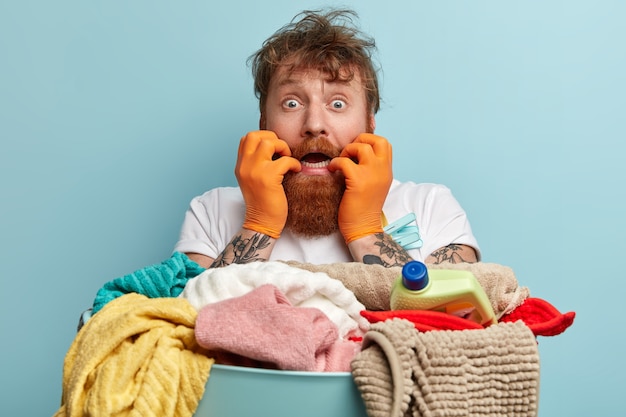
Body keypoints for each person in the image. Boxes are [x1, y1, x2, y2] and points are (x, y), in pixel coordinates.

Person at [174, 9, 480, 269]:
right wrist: (258, 225)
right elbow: (180, 324)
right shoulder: (212, 210)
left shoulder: (430, 205)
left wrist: (366, 230)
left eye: (337, 104)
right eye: (291, 103)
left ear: (369, 125)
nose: (314, 125)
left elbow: (457, 317)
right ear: (264, 124)